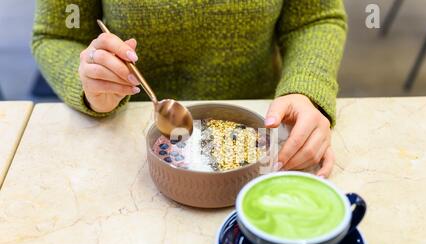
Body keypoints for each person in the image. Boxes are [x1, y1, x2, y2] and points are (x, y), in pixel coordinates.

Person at [32, 0, 347, 177]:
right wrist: (91, 81)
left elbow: (314, 19)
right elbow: (58, 34)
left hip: (261, 130)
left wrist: (305, 87)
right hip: (128, 151)